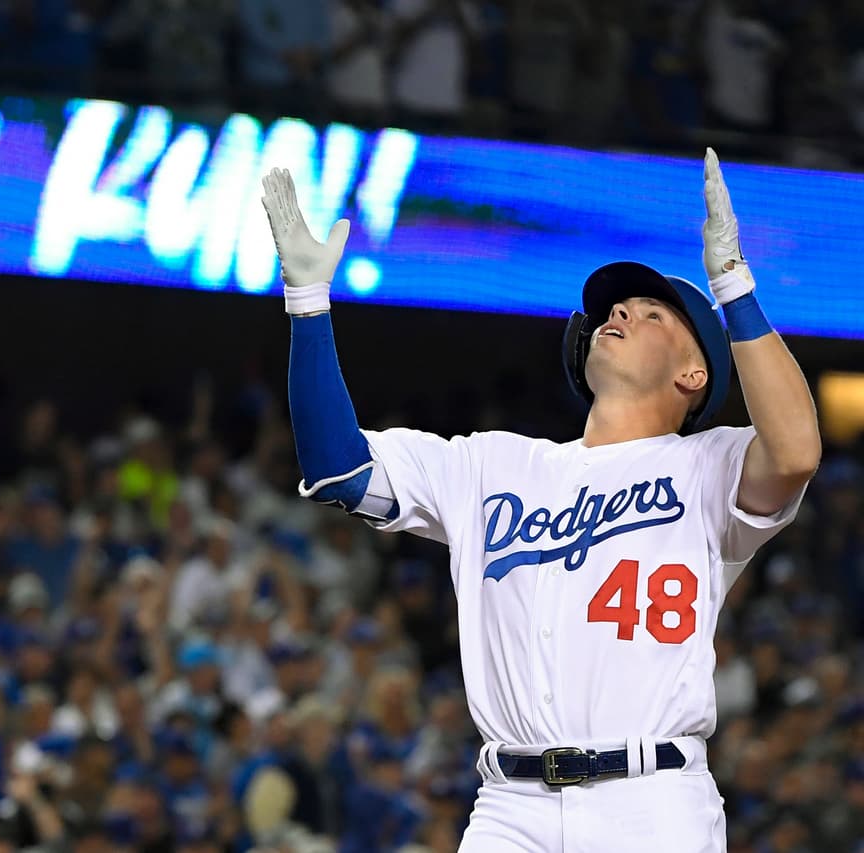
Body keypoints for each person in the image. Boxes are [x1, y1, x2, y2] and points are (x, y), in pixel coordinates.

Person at [260, 148, 820, 851]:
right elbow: (338, 466)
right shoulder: (493, 463)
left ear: (692, 371)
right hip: (509, 806)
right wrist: (308, 306)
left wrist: (733, 286)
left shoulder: (709, 465)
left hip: (649, 798)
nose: (620, 310)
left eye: (652, 313)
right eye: (618, 306)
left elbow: (797, 450)